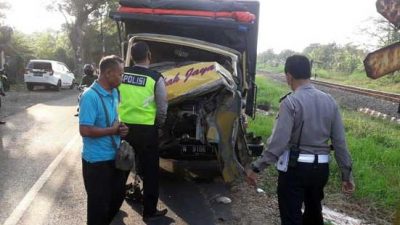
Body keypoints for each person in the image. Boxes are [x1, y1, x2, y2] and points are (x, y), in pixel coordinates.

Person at [246, 55, 355, 225]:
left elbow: (279, 142)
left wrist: (257, 167)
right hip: (321, 170)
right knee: (313, 214)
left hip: (295, 170)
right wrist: (346, 174)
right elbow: (340, 143)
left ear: (289, 76)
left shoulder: (290, 102)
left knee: (291, 216)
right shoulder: (330, 101)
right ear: (308, 73)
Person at [118, 41, 168, 222]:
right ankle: (149, 211)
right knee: (150, 172)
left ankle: (113, 205)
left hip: (123, 129)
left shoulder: (121, 73)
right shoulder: (156, 78)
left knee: (120, 168)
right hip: (147, 131)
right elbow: (162, 107)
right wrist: (159, 125)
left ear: (131, 56)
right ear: (149, 55)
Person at [79, 55, 129, 225]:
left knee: (116, 198)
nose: (122, 78)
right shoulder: (90, 96)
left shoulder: (115, 92)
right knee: (98, 209)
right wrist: (112, 130)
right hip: (96, 162)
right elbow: (84, 130)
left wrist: (121, 128)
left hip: (114, 157)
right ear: (108, 73)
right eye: (120, 74)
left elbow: (114, 119)